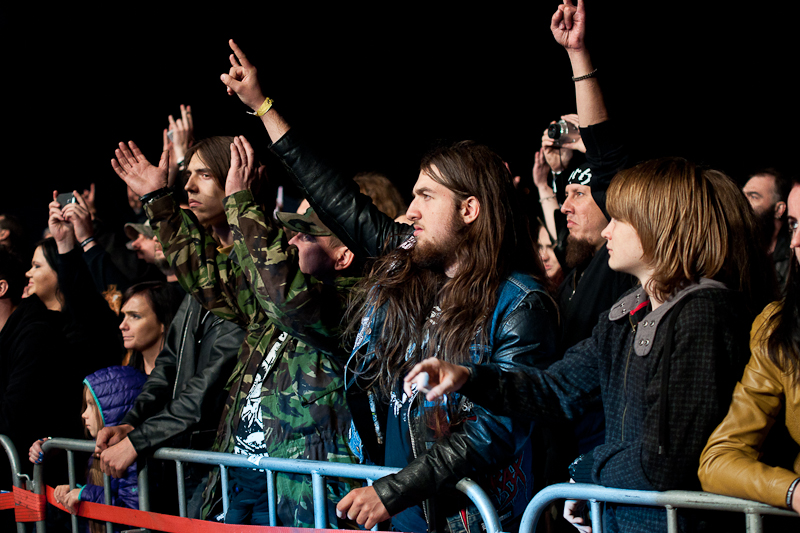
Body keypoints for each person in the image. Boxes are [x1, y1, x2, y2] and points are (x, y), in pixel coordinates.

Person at [218, 40, 558, 533]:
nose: (412, 209)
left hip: (467, 521)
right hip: (402, 517)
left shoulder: (521, 302)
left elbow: (496, 430)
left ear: (469, 210)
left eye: (426, 195)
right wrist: (265, 109)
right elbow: (339, 200)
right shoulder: (415, 269)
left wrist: (392, 491)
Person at [405, 155, 771, 533]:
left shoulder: (703, 315)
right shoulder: (627, 314)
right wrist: (470, 377)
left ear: (659, 227)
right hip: (623, 520)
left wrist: (587, 472)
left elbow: (667, 461)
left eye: (619, 220)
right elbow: (555, 389)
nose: (607, 231)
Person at [110, 134, 359, 528]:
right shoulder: (270, 303)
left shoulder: (345, 307)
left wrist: (241, 202)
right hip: (238, 479)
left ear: (345, 255)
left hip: (294, 494)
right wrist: (158, 199)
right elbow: (210, 279)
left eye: (306, 233)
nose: (292, 238)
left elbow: (282, 292)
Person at [698, 179, 800, 516]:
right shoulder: (779, 328)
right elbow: (718, 459)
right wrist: (793, 491)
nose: (796, 241)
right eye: (794, 225)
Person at [29, 365, 147, 533]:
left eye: (92, 405)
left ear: (113, 413)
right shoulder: (97, 451)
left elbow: (134, 519)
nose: (84, 414)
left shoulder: (132, 460)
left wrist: (84, 494)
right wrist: (74, 492)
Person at [118, 281, 183, 374]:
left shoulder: (186, 379)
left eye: (135, 316)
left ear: (164, 323)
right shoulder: (123, 379)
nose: (122, 326)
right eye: (124, 316)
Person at [742, 168, 792, 289]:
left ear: (779, 209)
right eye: (742, 196)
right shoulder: (737, 250)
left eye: (753, 196)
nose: (742, 202)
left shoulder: (792, 257)